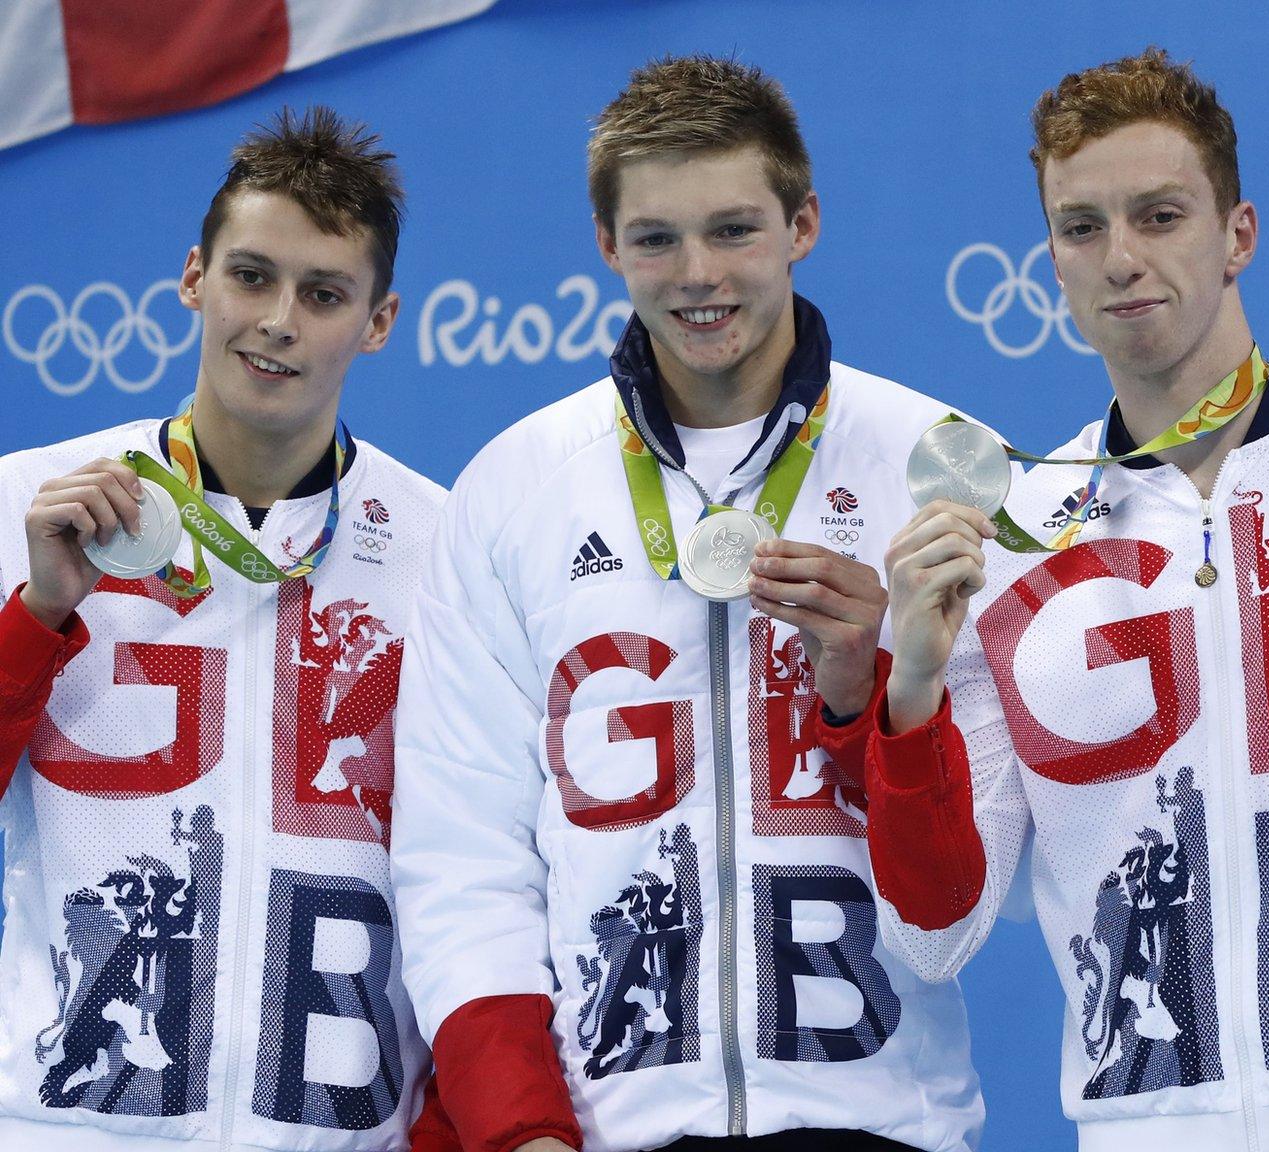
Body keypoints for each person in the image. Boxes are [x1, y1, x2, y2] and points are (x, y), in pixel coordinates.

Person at [859, 48, 1269, 1152]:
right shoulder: (1016, 534)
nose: (1121, 258)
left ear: (1237, 234)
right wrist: (912, 692)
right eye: (1081, 229)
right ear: (1051, 264)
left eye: (1159, 215)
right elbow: (934, 937)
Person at [391, 55, 984, 1152]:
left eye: (734, 230)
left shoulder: (933, 466)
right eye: (656, 238)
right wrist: (521, 1127)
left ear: (802, 223)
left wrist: (879, 692)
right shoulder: (514, 486)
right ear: (606, 246)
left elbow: (956, 900)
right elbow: (460, 859)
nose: (696, 273)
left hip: (881, 1122)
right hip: (608, 1128)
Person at [0, 107, 440, 1149]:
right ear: (195, 276)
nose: (279, 320)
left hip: (340, 1133)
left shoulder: (449, 546)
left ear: (378, 321)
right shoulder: (27, 505)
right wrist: (38, 614)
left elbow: (486, 880)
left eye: (324, 294)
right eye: (252, 276)